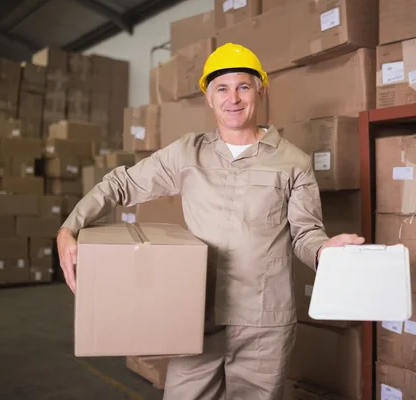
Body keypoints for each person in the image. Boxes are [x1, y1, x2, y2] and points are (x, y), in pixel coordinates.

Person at [57, 42, 365, 400]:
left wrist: (323, 249)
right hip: (197, 314)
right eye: (222, 88)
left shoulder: (293, 162)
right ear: (209, 97)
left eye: (243, 86)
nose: (232, 98)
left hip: (263, 322)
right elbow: (122, 184)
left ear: (260, 91)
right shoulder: (188, 153)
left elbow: (305, 233)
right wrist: (69, 228)